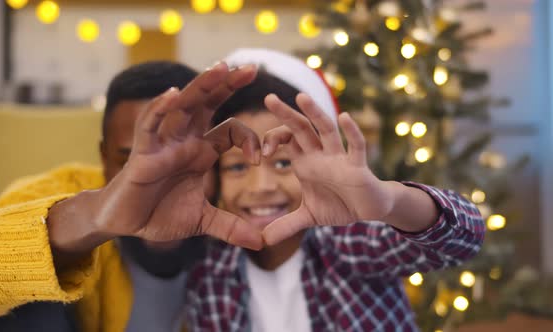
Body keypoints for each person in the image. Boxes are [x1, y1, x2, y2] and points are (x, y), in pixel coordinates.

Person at [185, 48, 486, 331]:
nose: (261, 187)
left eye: (283, 164)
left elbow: (465, 239)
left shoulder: (351, 242)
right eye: (237, 167)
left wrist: (390, 202)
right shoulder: (208, 270)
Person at [0, 60, 265, 331]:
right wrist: (93, 219)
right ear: (103, 157)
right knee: (24, 294)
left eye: (180, 164)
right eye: (130, 163)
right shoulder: (62, 192)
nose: (158, 185)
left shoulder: (238, 211)